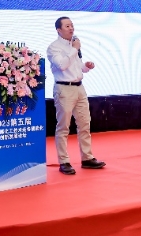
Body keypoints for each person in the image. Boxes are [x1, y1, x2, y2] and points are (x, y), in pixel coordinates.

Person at [46, 16, 106, 175]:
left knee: (85, 124)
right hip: (64, 89)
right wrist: (74, 49)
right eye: (67, 26)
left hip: (79, 88)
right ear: (59, 30)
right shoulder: (54, 47)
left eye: (72, 25)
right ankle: (64, 161)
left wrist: (86, 66)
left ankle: (87, 158)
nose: (71, 28)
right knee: (63, 127)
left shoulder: (74, 45)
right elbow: (62, 65)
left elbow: (77, 67)